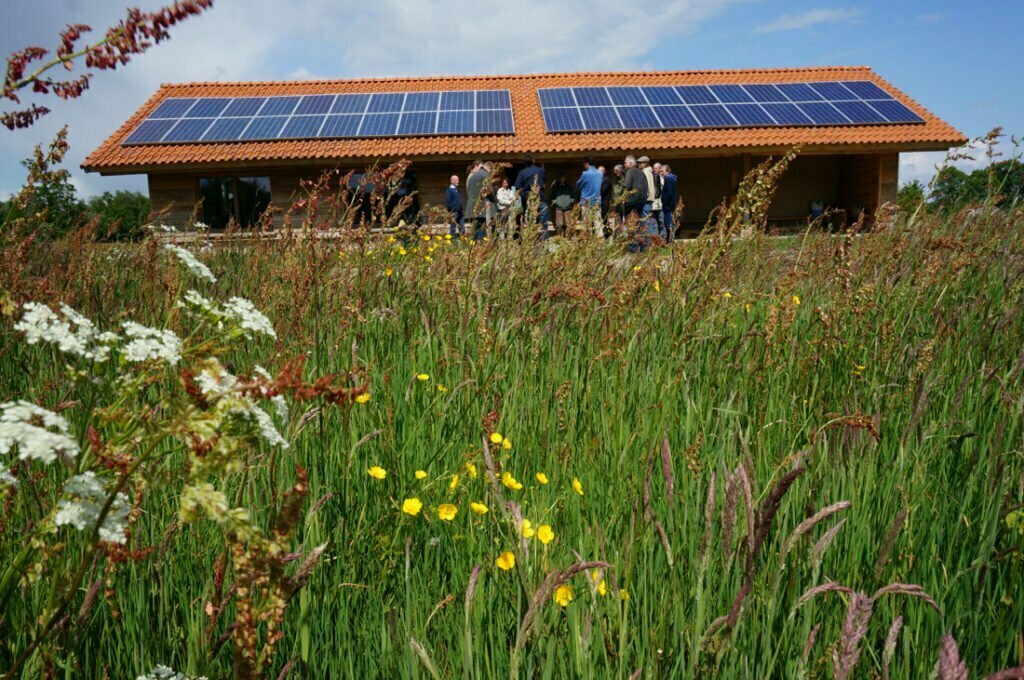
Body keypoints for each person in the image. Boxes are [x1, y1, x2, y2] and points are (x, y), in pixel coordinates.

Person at [514, 155, 548, 238]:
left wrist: (525, 194)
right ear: (533, 160)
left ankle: (531, 242)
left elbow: (517, 187)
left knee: (530, 224)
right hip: (541, 198)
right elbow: (544, 182)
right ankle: (544, 243)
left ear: (524, 163)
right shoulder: (541, 170)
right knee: (543, 224)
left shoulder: (522, 173)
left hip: (529, 200)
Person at [576, 156, 603, 237]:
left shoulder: (585, 174)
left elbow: (578, 185)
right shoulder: (600, 173)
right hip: (597, 200)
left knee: (587, 222)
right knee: (598, 222)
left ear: (587, 164)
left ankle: (588, 239)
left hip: (586, 200)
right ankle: (600, 239)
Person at [466, 160, 488, 241]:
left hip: (476, 205)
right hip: (477, 205)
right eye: (481, 167)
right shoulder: (472, 177)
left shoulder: (472, 176)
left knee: (477, 226)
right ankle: (479, 242)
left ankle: (477, 242)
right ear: (476, 166)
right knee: (479, 225)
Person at [638, 156, 660, 235]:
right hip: (649, 199)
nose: (639, 164)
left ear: (645, 163)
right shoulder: (649, 172)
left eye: (640, 163)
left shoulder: (646, 172)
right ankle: (652, 236)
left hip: (646, 199)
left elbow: (646, 186)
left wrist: (644, 196)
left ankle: (649, 238)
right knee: (648, 219)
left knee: (646, 220)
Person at [622, 155, 647, 222]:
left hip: (631, 201)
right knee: (638, 221)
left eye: (625, 163)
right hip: (641, 201)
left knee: (630, 221)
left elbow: (626, 186)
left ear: (630, 163)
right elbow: (646, 186)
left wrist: (623, 198)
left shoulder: (629, 172)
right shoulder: (641, 172)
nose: (624, 164)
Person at [660, 164, 678, 243]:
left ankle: (669, 240)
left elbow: (669, 193)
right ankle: (670, 239)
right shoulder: (671, 178)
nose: (661, 173)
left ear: (667, 171)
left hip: (668, 206)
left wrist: (664, 201)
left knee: (668, 223)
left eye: (662, 171)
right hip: (670, 205)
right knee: (670, 222)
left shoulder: (668, 179)